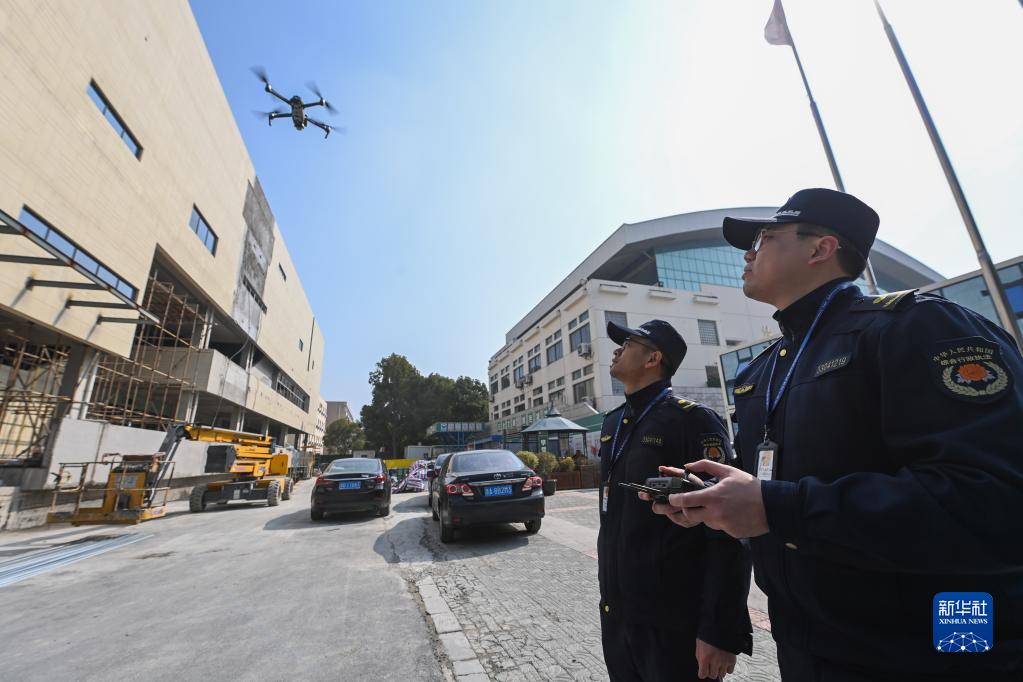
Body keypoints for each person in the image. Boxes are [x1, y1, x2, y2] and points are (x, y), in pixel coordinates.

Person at [648, 188, 1023, 681]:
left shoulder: (919, 328)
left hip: (932, 652)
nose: (747, 253)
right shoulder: (763, 372)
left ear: (820, 249)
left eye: (763, 238)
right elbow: (779, 489)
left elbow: (999, 503)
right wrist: (721, 501)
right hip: (808, 649)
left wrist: (776, 507)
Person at [597, 319, 752, 681]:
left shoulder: (693, 422)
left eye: (628, 343)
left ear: (653, 359)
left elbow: (729, 531)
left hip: (674, 625)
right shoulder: (613, 424)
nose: (617, 350)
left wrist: (719, 629)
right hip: (618, 615)